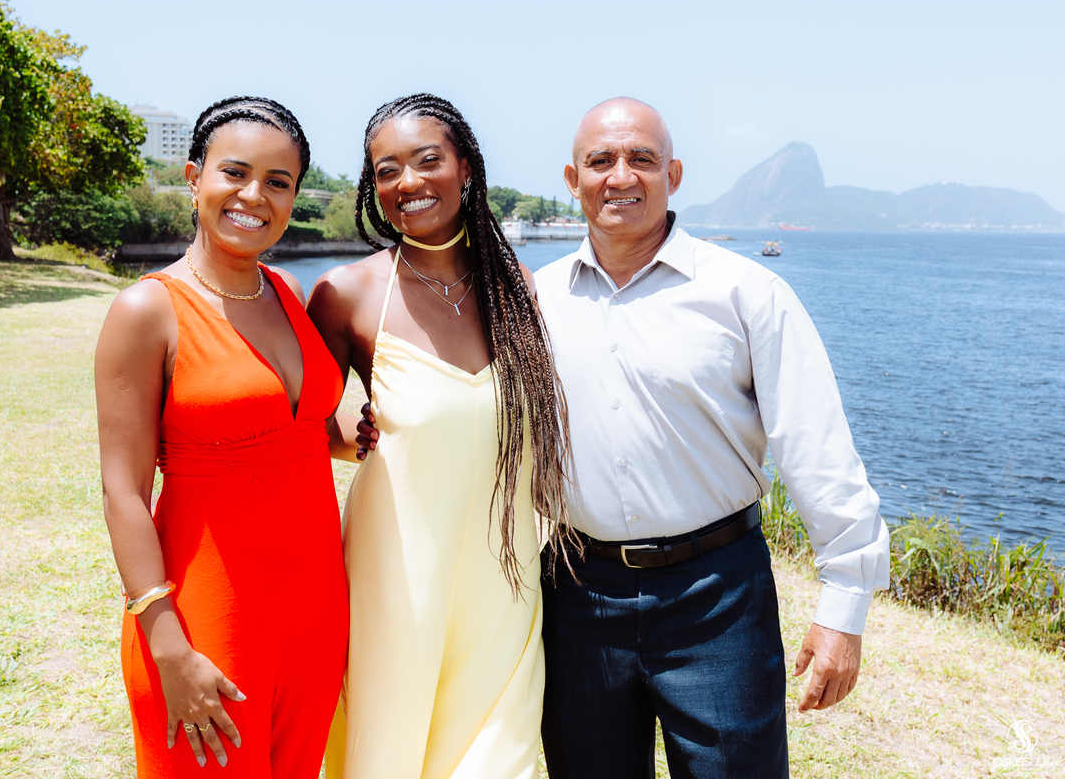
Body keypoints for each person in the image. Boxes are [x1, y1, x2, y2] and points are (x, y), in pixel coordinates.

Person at [528, 98, 892, 778]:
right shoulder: (535, 300)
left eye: (641, 158)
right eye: (600, 161)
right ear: (572, 181)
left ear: (675, 173)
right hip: (577, 592)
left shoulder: (747, 293)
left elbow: (816, 448)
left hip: (717, 593)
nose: (621, 176)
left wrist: (845, 603)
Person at [306, 93, 575, 779]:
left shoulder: (517, 285)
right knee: (389, 744)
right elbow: (300, 419)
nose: (408, 182)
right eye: (386, 170)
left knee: (496, 754)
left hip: (503, 566)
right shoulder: (347, 293)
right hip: (393, 567)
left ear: (465, 168)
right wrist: (339, 432)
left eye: (427, 161)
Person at [95, 96, 354, 777]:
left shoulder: (289, 294)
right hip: (207, 617)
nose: (253, 196)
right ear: (192, 176)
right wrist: (168, 645)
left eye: (278, 182)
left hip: (316, 611)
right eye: (234, 172)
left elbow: (296, 429)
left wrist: (354, 435)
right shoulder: (148, 309)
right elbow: (123, 490)